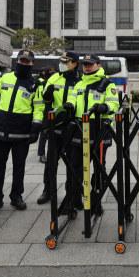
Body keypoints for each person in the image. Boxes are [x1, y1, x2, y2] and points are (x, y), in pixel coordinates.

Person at [0, 49, 44, 212]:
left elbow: (38, 108)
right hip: (1, 129)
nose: (24, 63)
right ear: (16, 61)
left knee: (19, 166)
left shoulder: (36, 84)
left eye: (27, 61)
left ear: (32, 64)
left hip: (22, 132)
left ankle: (16, 196)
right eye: (21, 60)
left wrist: (36, 128)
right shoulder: (5, 77)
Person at [62, 54, 120, 211]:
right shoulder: (79, 84)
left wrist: (104, 108)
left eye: (90, 64)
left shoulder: (108, 84)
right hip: (80, 130)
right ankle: (74, 200)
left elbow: (114, 103)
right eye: (85, 64)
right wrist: (69, 105)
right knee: (76, 168)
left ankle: (96, 201)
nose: (87, 67)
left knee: (99, 169)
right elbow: (73, 98)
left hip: (99, 130)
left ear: (99, 66)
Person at [37, 50, 82, 204]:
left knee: (73, 163)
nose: (62, 64)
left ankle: (73, 193)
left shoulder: (81, 80)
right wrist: (47, 94)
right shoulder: (54, 78)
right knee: (51, 161)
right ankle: (47, 191)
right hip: (56, 126)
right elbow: (45, 97)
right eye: (61, 61)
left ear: (74, 64)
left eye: (66, 62)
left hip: (74, 128)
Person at [37, 65, 57, 164]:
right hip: (45, 110)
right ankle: (41, 154)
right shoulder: (43, 83)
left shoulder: (57, 83)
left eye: (54, 71)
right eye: (50, 71)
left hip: (54, 111)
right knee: (43, 134)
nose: (52, 72)